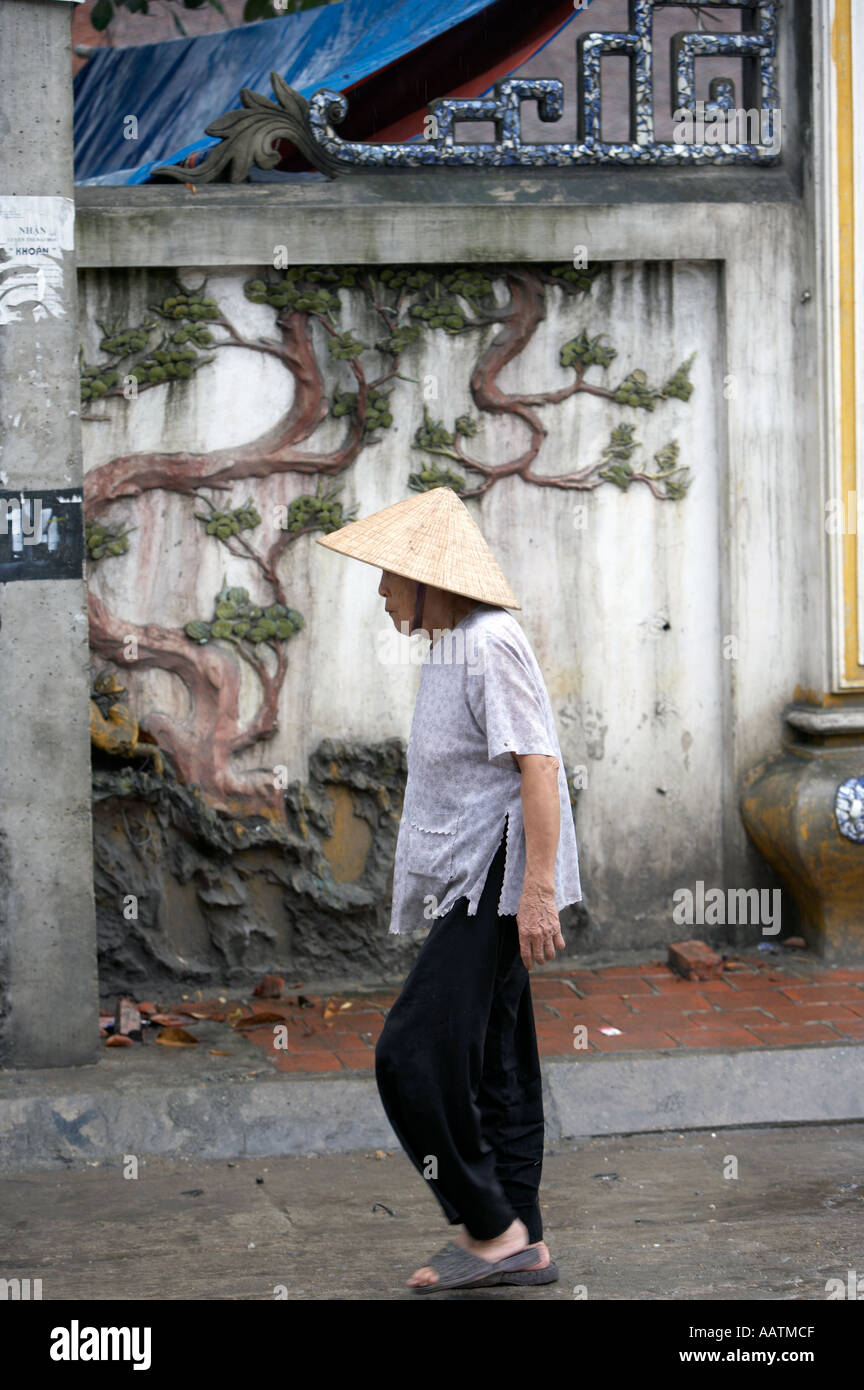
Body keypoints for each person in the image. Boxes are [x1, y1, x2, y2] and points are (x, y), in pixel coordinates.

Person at [317, 486, 582, 1293]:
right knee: (495, 1057)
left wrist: (536, 892)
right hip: (478, 877)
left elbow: (538, 765)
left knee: (412, 1052)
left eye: (391, 574)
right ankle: (522, 1237)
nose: (381, 589)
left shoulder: (489, 642)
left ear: (434, 580)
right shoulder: (453, 644)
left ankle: (488, 1225)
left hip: (496, 877)